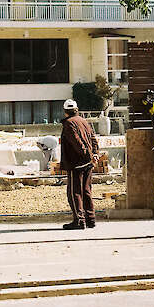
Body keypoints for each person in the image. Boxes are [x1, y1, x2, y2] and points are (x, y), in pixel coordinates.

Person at [59, 99, 99, 230]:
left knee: (74, 192)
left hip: (76, 163)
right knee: (86, 191)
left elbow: (76, 141)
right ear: (76, 110)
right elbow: (93, 138)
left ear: (65, 111)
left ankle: (79, 221)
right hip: (87, 162)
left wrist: (86, 154)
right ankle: (90, 219)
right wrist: (94, 154)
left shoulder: (69, 123)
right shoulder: (83, 121)